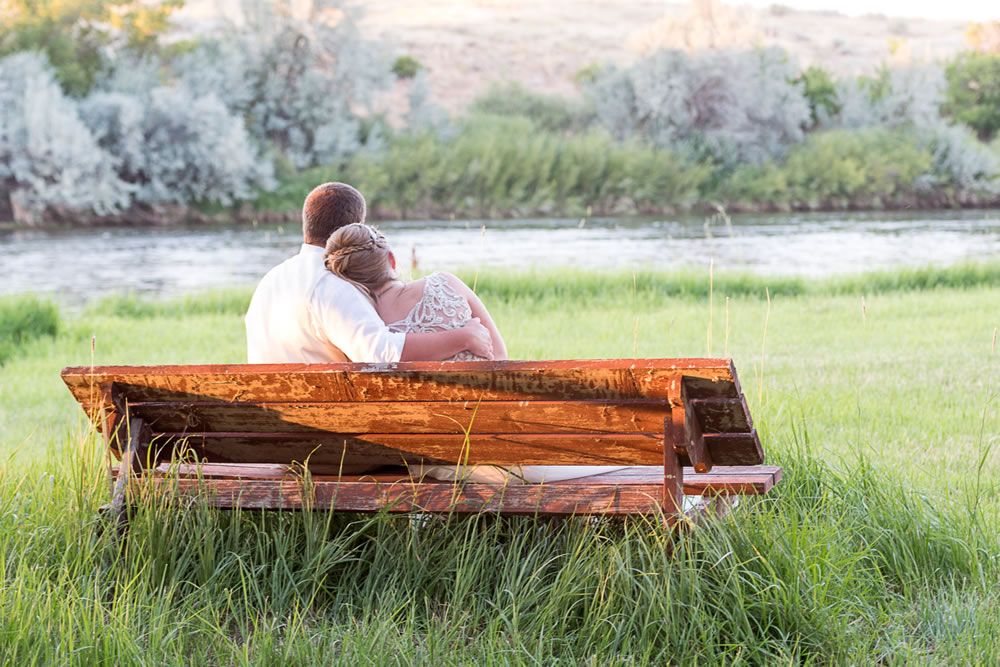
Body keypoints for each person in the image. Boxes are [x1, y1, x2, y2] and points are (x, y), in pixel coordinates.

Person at [324, 222, 626, 484]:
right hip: (492, 437)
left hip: (431, 450)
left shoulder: (366, 332)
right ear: (391, 259)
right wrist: (464, 338)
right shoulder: (445, 283)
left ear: (346, 279)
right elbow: (500, 358)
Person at [245, 183, 493, 364]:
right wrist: (463, 338)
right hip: (321, 423)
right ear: (354, 229)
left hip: (271, 418)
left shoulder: (270, 280)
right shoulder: (332, 284)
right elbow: (380, 352)